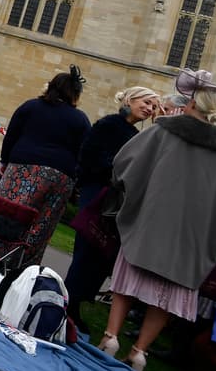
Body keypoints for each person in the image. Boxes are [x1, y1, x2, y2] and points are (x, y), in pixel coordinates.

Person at [99, 81, 216, 371]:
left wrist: (137, 192)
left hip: (151, 220)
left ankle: (110, 338)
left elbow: (125, 162)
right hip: (194, 236)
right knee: (168, 294)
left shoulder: (166, 130)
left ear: (192, 105)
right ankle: (139, 353)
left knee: (128, 282)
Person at [64, 85, 160, 330]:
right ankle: (68, 303)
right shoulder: (110, 124)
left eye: (152, 105)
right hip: (98, 192)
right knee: (87, 247)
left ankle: (74, 303)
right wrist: (117, 174)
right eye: (145, 102)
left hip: (112, 196)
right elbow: (91, 156)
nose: (149, 109)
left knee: (98, 251)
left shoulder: (133, 133)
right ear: (130, 99)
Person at [0, 67, 91, 267]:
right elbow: (84, 153)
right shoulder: (81, 119)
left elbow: (12, 135)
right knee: (42, 223)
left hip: (24, 167)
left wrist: (4, 160)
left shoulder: (31, 107)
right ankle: (25, 264)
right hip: (61, 176)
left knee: (8, 211)